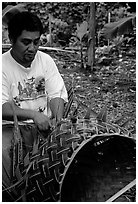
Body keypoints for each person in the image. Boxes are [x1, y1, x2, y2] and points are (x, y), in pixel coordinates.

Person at [2, 11, 68, 131]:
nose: (32, 48)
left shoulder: (45, 61)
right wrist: (34, 115)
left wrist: (58, 121)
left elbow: (56, 95)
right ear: (12, 40)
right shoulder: (2, 66)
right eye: (26, 42)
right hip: (11, 130)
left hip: (45, 128)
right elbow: (3, 107)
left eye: (36, 42)